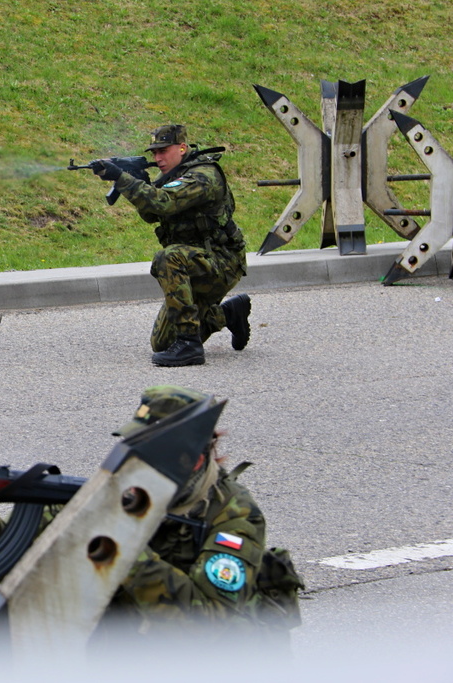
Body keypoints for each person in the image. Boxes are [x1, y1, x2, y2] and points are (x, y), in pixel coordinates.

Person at [100, 385, 304, 645]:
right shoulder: (135, 490)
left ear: (192, 459)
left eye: (150, 451)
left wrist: (125, 549)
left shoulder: (234, 515)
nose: (135, 459)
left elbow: (208, 621)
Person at [92, 125, 251, 367]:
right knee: (162, 345)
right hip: (194, 262)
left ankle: (190, 344)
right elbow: (152, 215)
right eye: (154, 153)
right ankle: (228, 314)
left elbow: (164, 203)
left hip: (222, 262)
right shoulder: (171, 177)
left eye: (163, 151)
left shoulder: (203, 176)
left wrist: (122, 179)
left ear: (182, 148)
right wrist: (140, 183)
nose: (158, 158)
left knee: (167, 257)